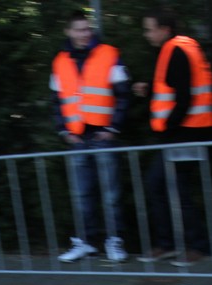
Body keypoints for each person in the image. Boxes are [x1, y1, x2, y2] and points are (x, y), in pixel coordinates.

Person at [133, 7, 212, 267]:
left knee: (170, 187)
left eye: (149, 29)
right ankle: (173, 244)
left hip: (184, 133)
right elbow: (173, 87)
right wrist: (149, 88)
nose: (146, 34)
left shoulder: (176, 50)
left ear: (164, 29)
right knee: (166, 187)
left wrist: (168, 127)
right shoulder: (179, 47)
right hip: (187, 131)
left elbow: (184, 97)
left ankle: (193, 246)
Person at [51, 10, 132, 263]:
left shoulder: (109, 54)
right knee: (81, 195)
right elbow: (56, 101)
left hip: (102, 135)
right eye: (79, 29)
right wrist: (64, 131)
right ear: (68, 31)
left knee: (111, 195)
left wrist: (112, 128)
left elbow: (123, 94)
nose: (84, 34)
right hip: (77, 137)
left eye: (87, 29)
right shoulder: (60, 61)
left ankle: (114, 241)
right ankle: (85, 242)